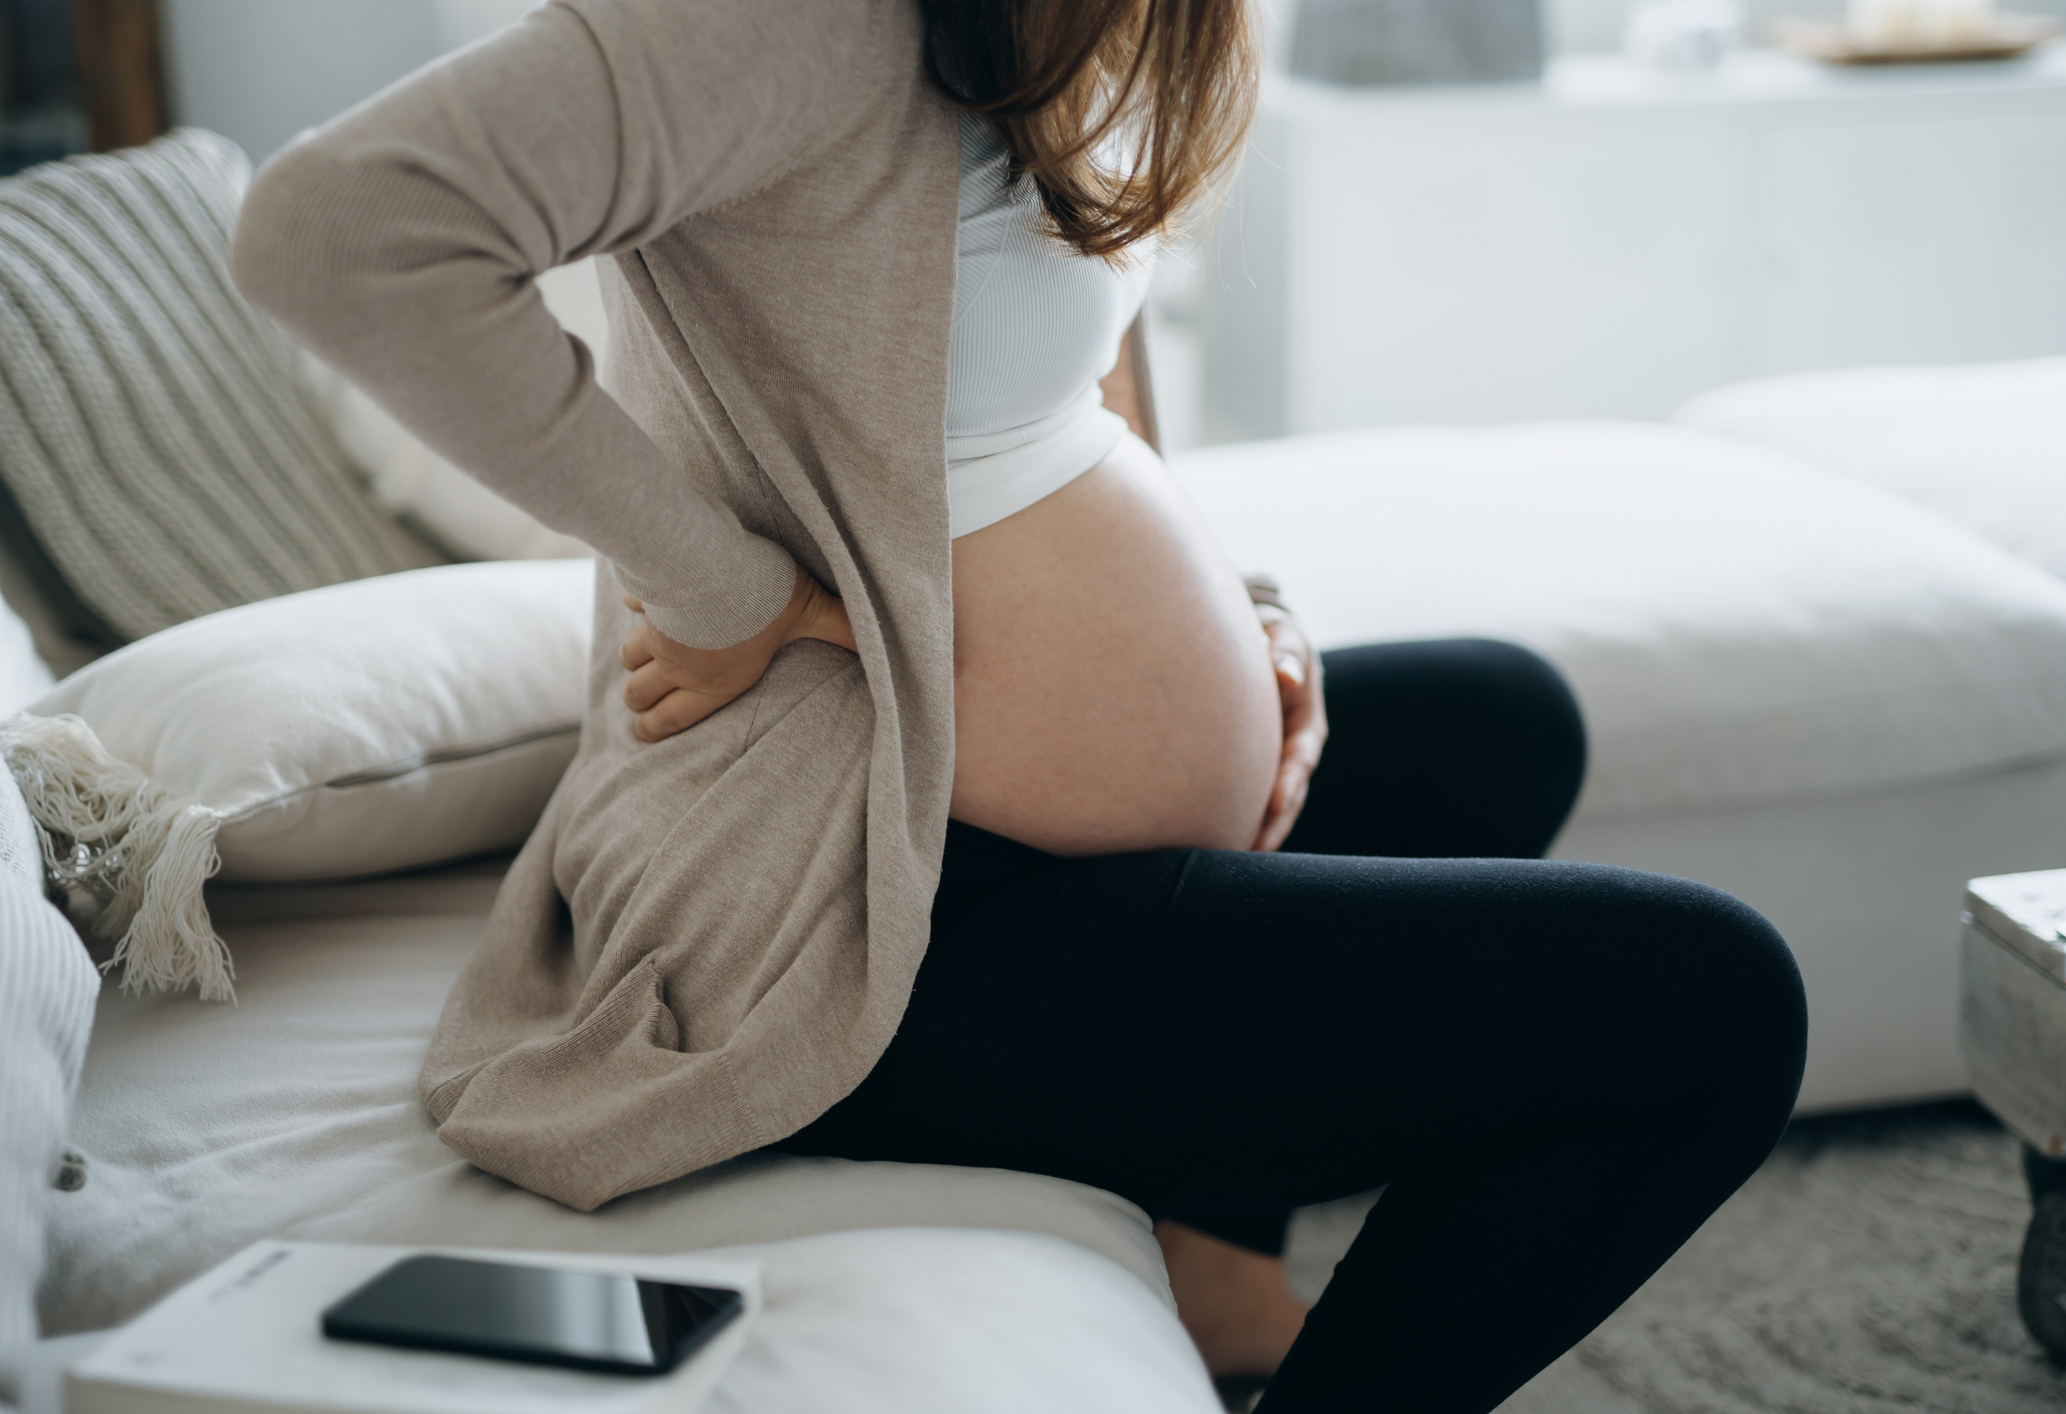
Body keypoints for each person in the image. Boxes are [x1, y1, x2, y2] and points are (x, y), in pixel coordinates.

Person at [231, 0, 1807, 1407]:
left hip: (1006, 828)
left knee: (1500, 716)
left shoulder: (1072, 22)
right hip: (859, 900)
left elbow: (1068, 397)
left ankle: (1206, 1260)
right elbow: (336, 232)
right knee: (1711, 1002)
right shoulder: (787, 23)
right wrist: (736, 596)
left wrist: (1246, 627)